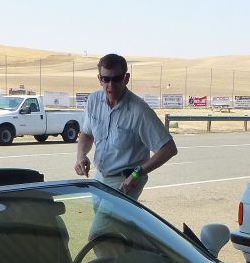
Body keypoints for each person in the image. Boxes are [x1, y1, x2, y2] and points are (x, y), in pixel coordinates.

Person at [74, 53, 177, 200]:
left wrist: (137, 174)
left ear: (126, 78)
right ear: (99, 79)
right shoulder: (94, 101)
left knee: (102, 223)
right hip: (101, 177)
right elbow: (86, 133)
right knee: (114, 222)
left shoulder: (139, 110)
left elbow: (169, 149)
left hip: (125, 182)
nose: (110, 85)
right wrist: (81, 155)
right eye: (106, 79)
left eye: (116, 79)